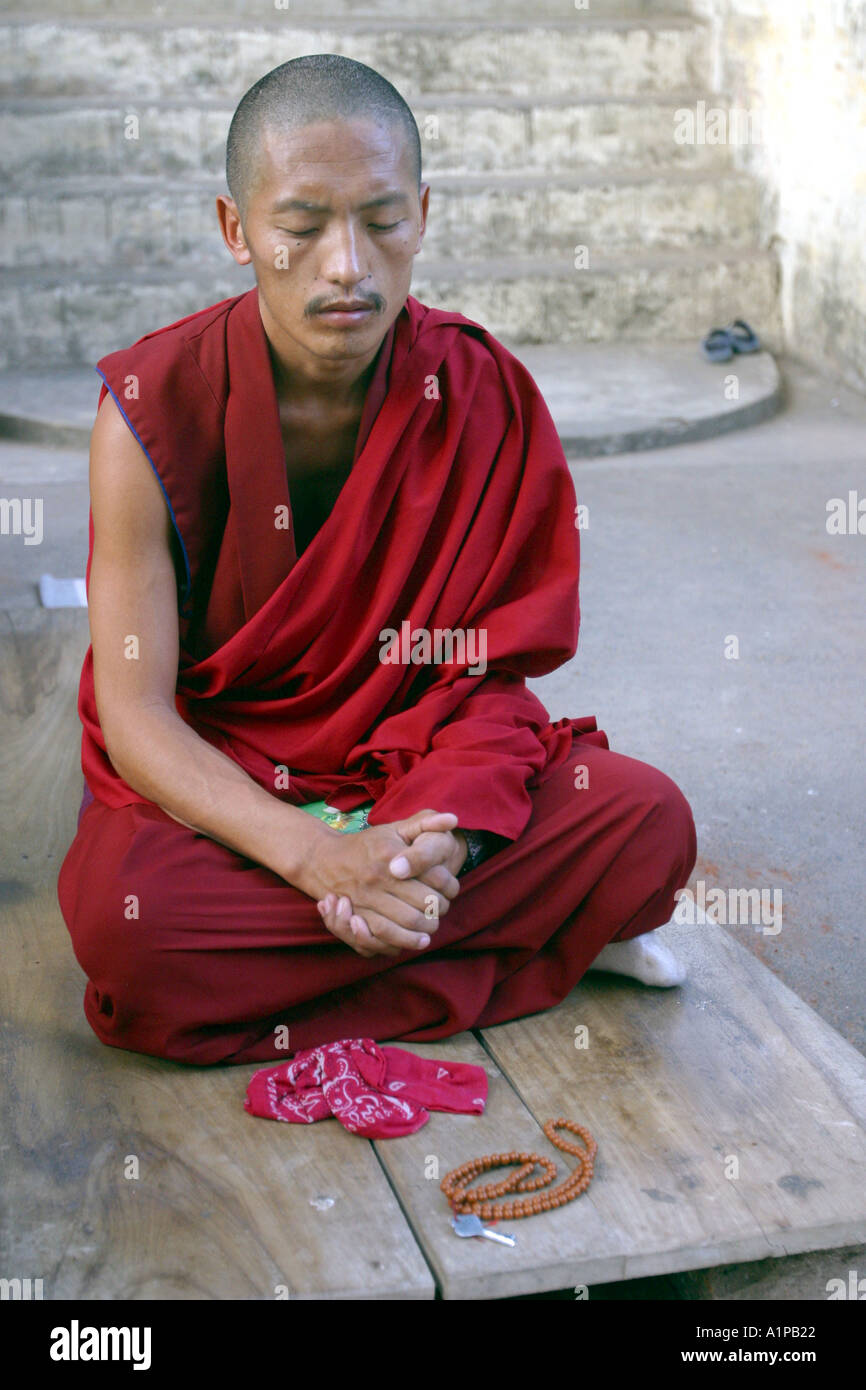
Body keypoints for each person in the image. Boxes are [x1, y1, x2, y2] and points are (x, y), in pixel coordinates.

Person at [57, 54, 697, 1067]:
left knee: (644, 820)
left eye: (381, 220)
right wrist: (318, 854)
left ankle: (403, 912)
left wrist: (437, 833)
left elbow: (484, 674)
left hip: (414, 770)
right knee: (131, 929)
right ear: (237, 230)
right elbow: (138, 717)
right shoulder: (150, 407)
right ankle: (519, 937)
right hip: (235, 790)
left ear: (424, 215)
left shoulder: (480, 391)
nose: (346, 265)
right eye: (302, 227)